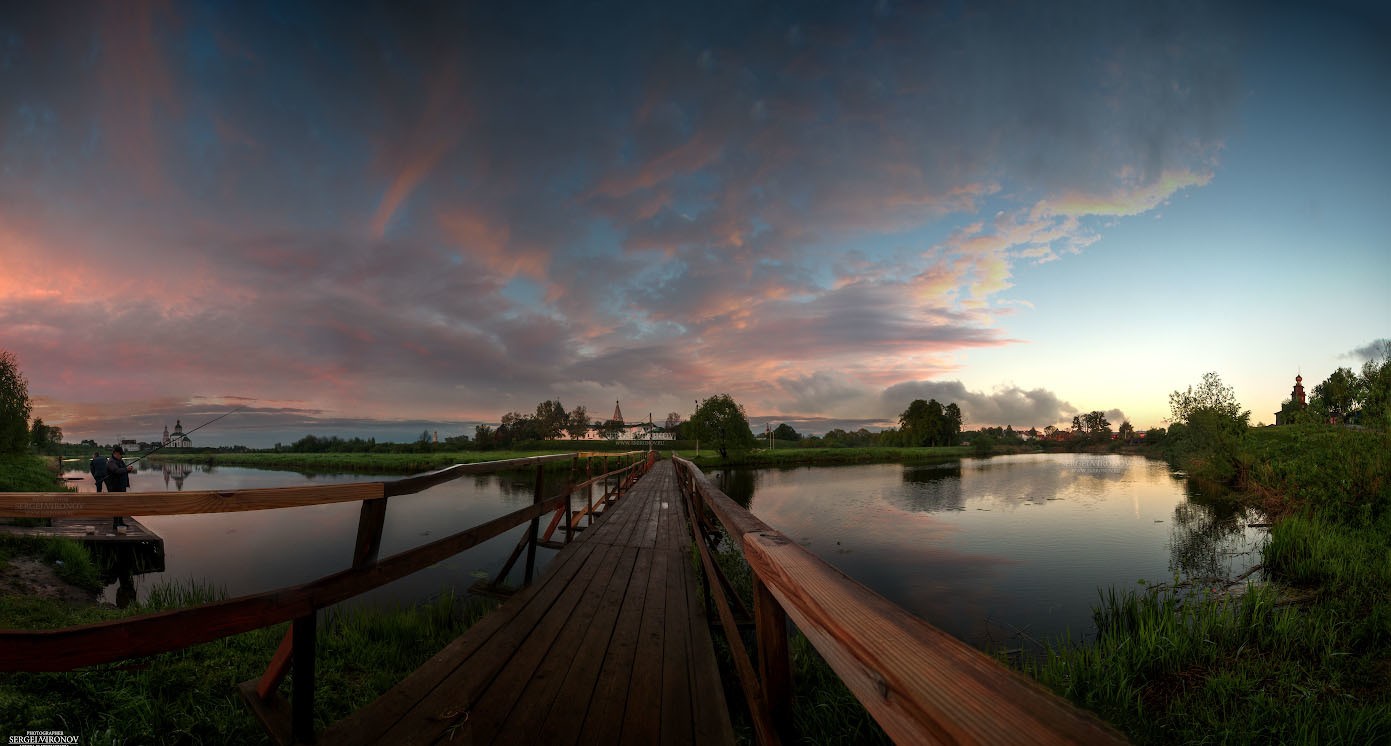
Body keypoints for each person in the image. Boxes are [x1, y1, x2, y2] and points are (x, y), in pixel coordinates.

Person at [105, 446, 135, 531]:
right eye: (120, 454)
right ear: (116, 453)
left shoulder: (120, 461)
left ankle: (121, 522)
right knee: (116, 505)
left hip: (121, 486)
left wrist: (129, 469)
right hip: (114, 487)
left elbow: (123, 470)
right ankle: (115, 524)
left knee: (121, 504)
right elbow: (116, 471)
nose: (121, 456)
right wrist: (126, 469)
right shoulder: (111, 462)